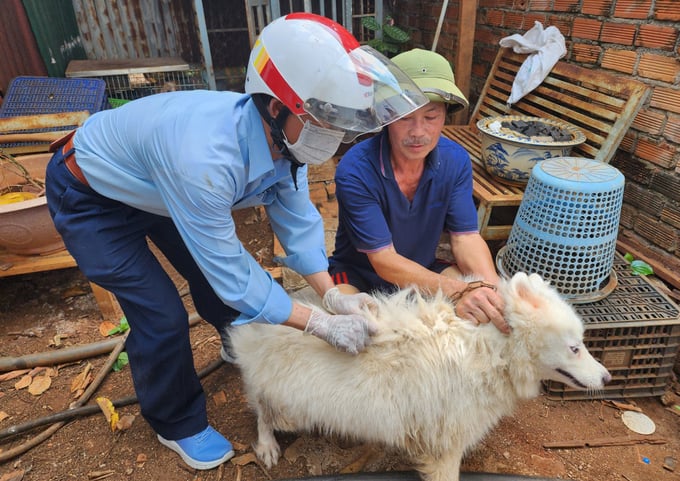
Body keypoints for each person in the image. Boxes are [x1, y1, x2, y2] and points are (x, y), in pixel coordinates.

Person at [44, 14, 429, 471]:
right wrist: (318, 324)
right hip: (89, 193)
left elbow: (298, 219)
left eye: (339, 122)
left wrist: (331, 294)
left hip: (155, 190)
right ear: (274, 108)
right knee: (161, 313)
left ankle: (233, 337)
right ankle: (176, 422)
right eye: (323, 120)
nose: (335, 135)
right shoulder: (204, 158)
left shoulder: (289, 143)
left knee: (220, 282)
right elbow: (228, 266)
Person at [328, 48, 509, 333]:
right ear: (386, 116)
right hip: (359, 275)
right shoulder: (356, 169)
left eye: (431, 116)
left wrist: (493, 292)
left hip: (422, 271)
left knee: (481, 310)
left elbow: (466, 238)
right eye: (405, 117)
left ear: (445, 115)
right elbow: (383, 260)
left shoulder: (455, 161)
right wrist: (455, 291)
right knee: (360, 332)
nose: (418, 132)